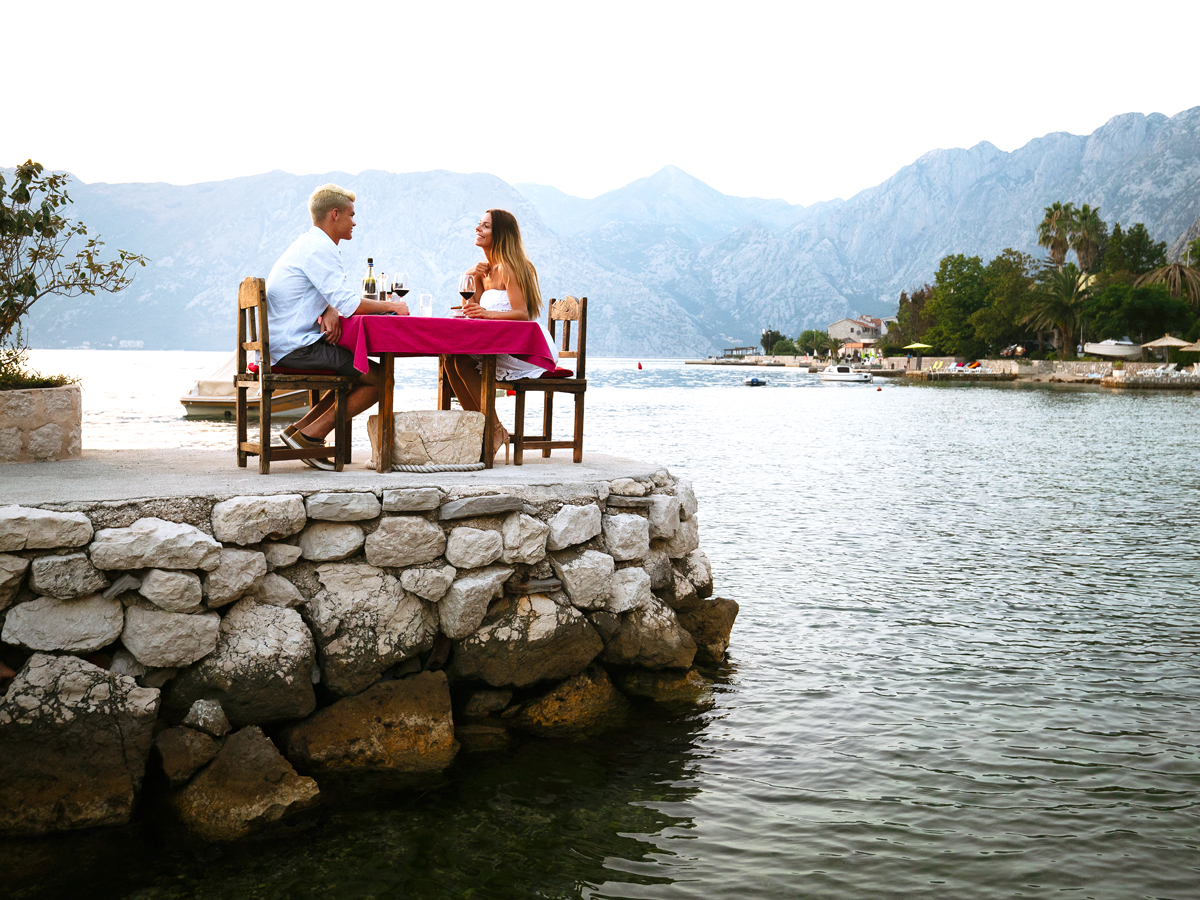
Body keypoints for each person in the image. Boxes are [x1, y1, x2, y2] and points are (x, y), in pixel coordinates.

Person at [265, 183, 408, 469]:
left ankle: (300, 431)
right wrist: (393, 306)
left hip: (283, 344)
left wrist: (329, 307)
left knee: (359, 374)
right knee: (380, 379)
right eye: (351, 215)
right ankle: (310, 436)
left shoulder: (307, 244)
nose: (354, 222)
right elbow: (352, 305)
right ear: (334, 214)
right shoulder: (321, 248)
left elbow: (332, 297)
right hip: (294, 348)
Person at [442, 209, 559, 464]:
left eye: (485, 226)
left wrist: (485, 313)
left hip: (525, 349)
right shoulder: (483, 272)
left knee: (460, 361)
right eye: (479, 224)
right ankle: (486, 429)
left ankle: (493, 431)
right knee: (452, 359)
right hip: (497, 344)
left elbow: (522, 313)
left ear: (501, 235)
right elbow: (470, 310)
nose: (478, 229)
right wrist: (471, 274)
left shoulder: (509, 268)